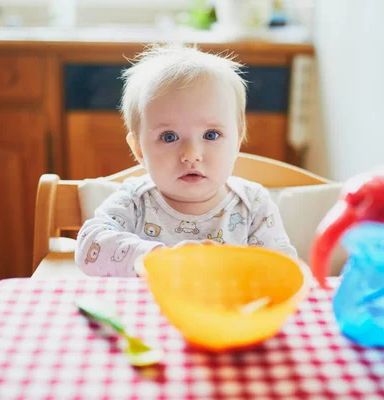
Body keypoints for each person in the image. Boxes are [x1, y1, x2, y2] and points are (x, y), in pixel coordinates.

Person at [74, 44, 297, 277]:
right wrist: (158, 258)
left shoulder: (254, 204)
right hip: (147, 312)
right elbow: (90, 246)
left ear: (237, 141)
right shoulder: (134, 201)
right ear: (139, 149)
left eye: (211, 135)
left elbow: (283, 271)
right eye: (169, 137)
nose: (191, 154)